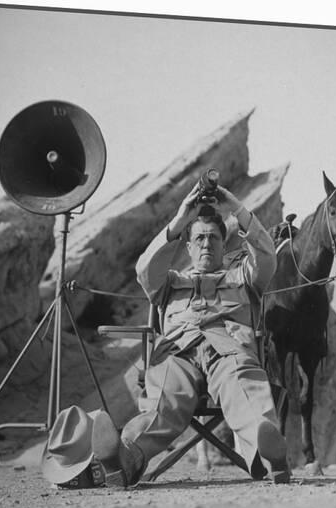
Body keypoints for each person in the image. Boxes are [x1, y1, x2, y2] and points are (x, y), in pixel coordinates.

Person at [92, 178, 290, 486]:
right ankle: (124, 458)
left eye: (213, 238)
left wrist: (236, 208)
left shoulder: (244, 278)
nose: (207, 244)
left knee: (243, 387)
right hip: (176, 354)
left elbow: (267, 256)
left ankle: (270, 455)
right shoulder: (168, 282)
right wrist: (183, 216)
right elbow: (144, 268)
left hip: (228, 351)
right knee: (164, 404)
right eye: (199, 239)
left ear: (225, 245)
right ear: (187, 246)